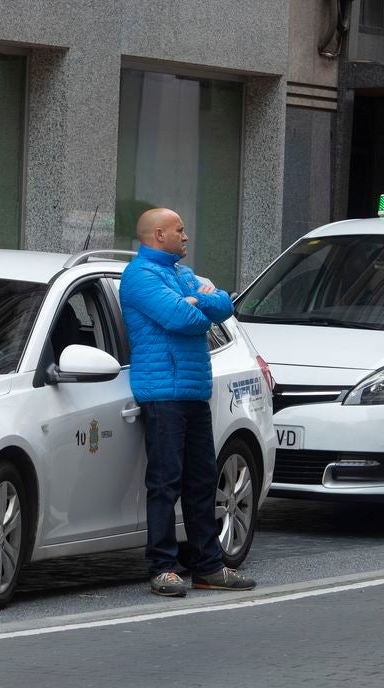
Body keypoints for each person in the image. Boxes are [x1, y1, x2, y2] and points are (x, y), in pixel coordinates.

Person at [119, 208, 257, 598]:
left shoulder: (180, 274)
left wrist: (197, 300)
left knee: (201, 480)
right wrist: (198, 302)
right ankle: (162, 566)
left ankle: (208, 567)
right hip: (163, 393)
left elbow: (225, 307)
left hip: (194, 389)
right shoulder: (139, 276)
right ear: (158, 234)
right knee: (165, 481)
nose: (186, 235)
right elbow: (183, 318)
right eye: (179, 230)